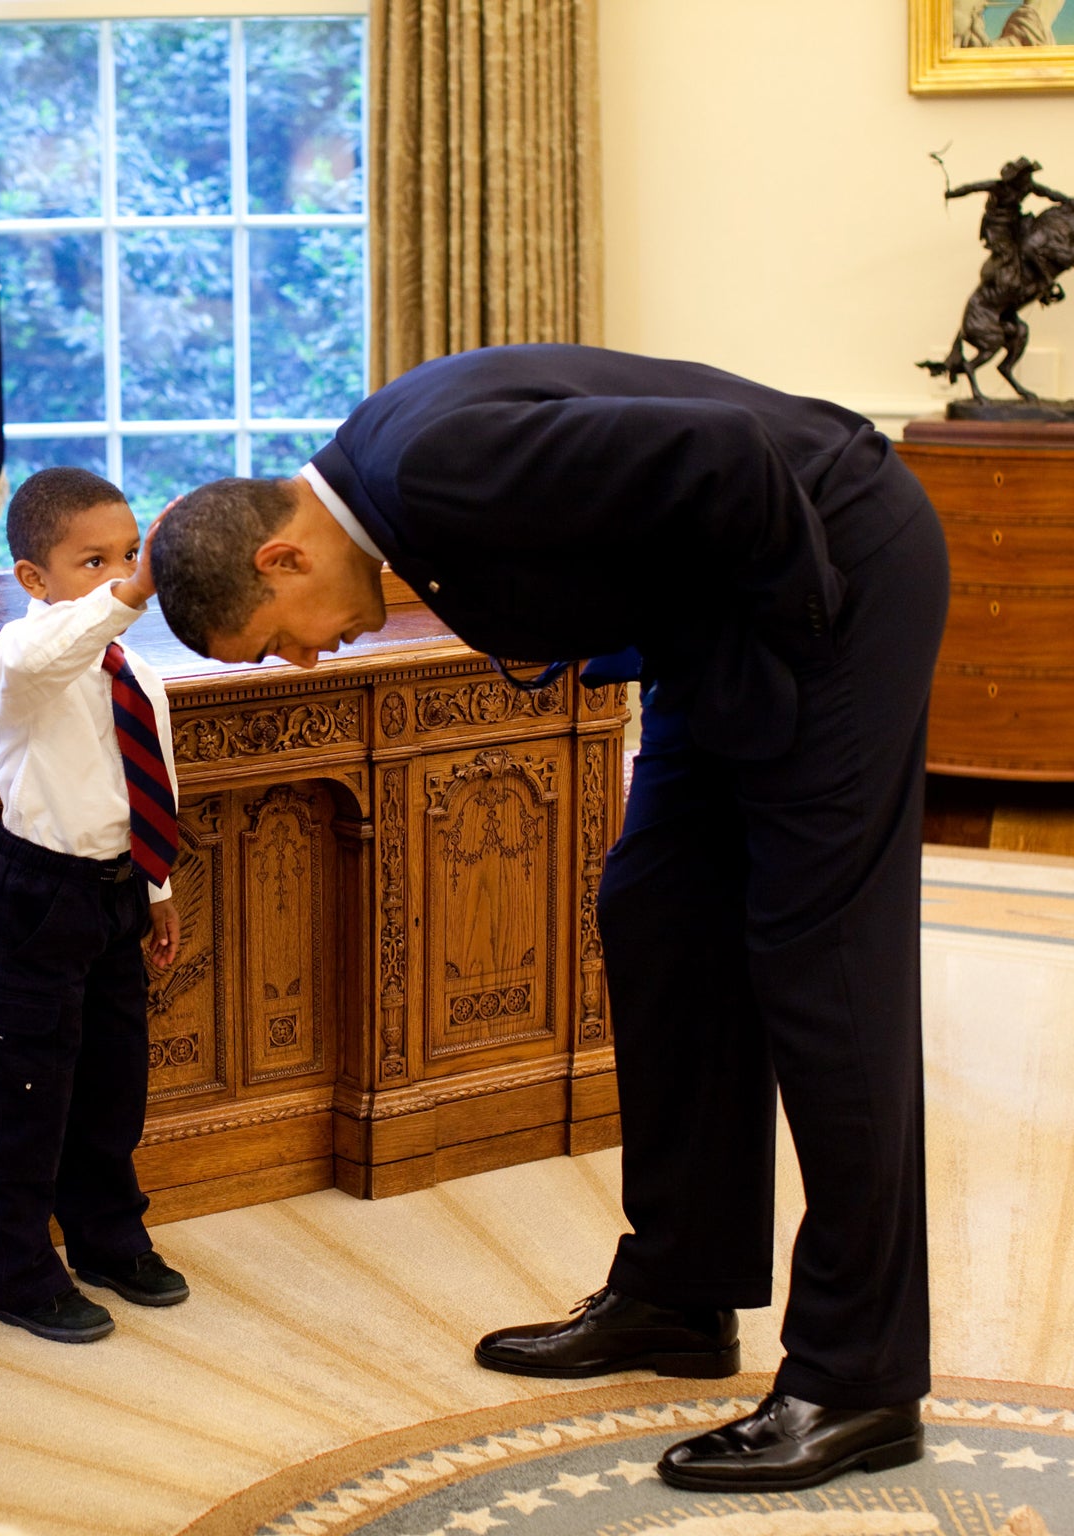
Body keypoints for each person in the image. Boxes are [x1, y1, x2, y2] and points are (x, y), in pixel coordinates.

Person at [150, 343, 948, 1491]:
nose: (304, 654)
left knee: (823, 968)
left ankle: (858, 1381)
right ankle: (679, 1293)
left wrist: (797, 653)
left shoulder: (430, 467)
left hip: (829, 581)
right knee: (658, 917)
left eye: (276, 636)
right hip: (725, 618)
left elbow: (730, 456)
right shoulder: (388, 479)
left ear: (279, 555)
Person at [0, 467, 188, 1345]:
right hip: (35, 894)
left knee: (111, 1080)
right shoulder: (24, 661)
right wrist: (132, 591)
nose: (117, 574)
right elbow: (48, 650)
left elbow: (149, 777)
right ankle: (20, 1271)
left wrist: (158, 889)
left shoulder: (131, 668)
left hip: (115, 893)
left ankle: (107, 1236)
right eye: (91, 560)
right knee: (26, 1090)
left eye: (128, 554)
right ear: (34, 579)